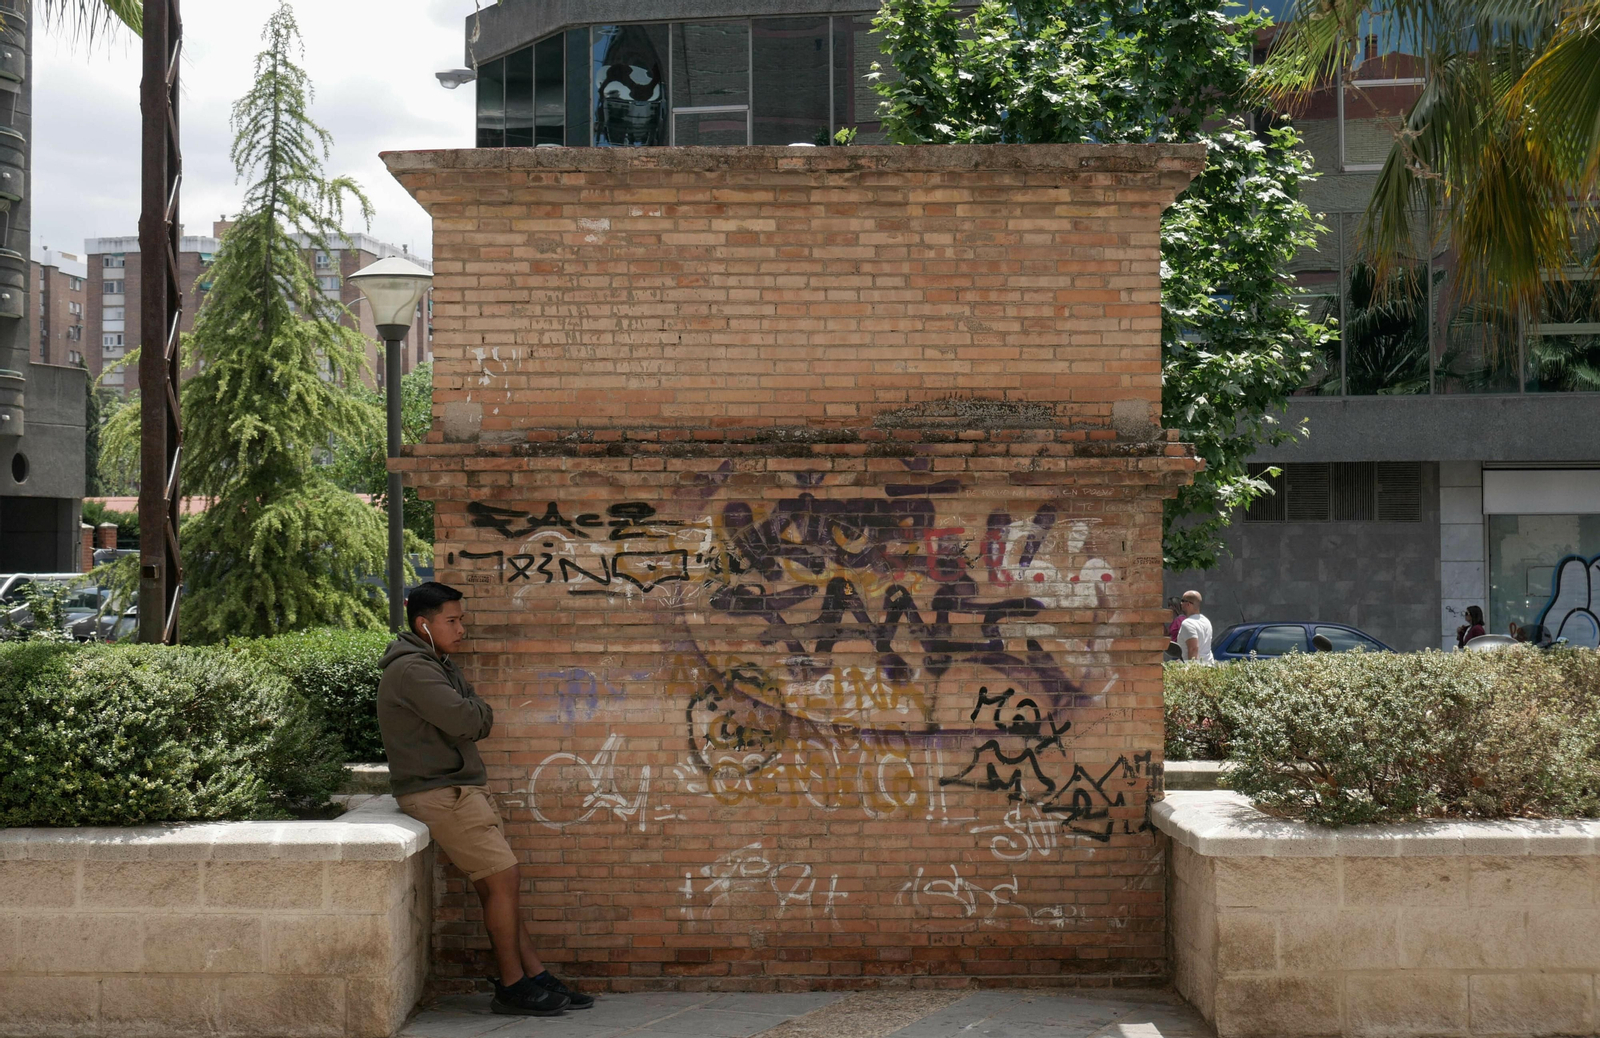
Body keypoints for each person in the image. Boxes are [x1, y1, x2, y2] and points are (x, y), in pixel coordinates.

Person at [378, 582, 593, 1017]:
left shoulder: (436, 662)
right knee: (504, 880)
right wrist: (475, 710)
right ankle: (512, 985)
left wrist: (474, 710)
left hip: (456, 788)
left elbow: (472, 713)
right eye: (452, 621)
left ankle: (532, 975)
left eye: (462, 620)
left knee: (500, 885)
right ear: (424, 624)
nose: (462, 629)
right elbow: (467, 719)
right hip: (440, 792)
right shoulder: (414, 670)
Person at [1176, 590, 1214, 663]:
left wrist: (1192, 670)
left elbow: (1193, 649)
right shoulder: (1206, 621)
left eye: (1182, 600)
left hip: (1197, 669)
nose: (1180, 603)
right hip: (1208, 666)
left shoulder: (1188, 623)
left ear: (1188, 604)